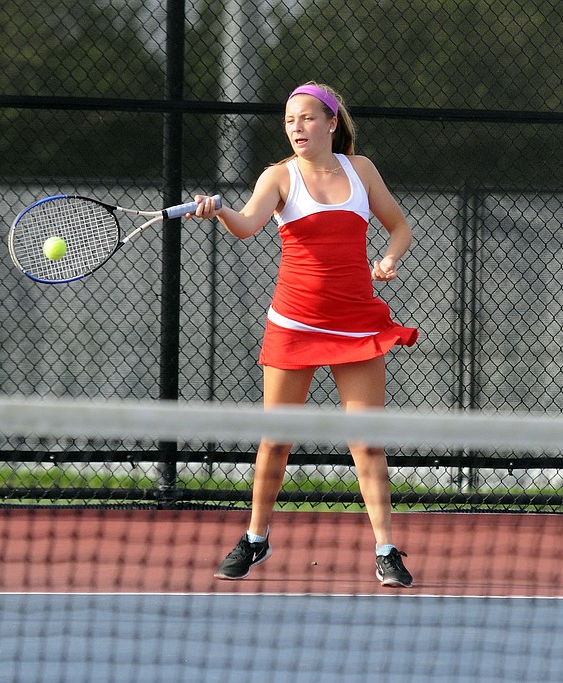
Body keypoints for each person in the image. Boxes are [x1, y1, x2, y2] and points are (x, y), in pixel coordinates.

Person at [191, 82, 418, 588]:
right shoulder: (278, 176)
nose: (297, 127)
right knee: (276, 440)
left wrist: (388, 259)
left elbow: (399, 227)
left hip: (356, 323)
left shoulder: (361, 170)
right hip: (294, 324)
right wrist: (220, 210)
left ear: (331, 123)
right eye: (290, 120)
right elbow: (247, 224)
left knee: (367, 443)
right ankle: (256, 538)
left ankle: (385, 550)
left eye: (308, 118)